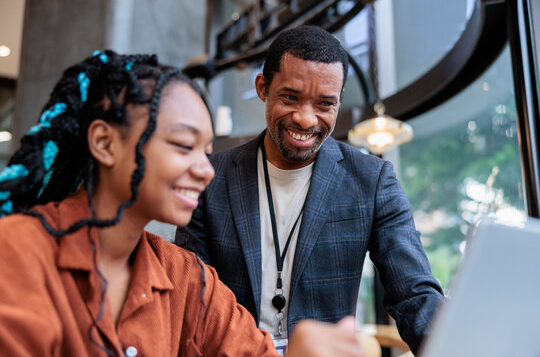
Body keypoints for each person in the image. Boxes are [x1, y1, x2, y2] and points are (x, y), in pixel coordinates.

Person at [0, 50, 365, 357]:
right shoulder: (17, 253)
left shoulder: (186, 277)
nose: (206, 171)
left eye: (207, 152)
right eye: (183, 146)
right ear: (105, 142)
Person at [175, 25, 444, 354]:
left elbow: (415, 295)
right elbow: (192, 301)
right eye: (290, 97)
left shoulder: (372, 181)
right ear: (263, 88)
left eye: (324, 104)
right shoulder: (209, 178)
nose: (305, 119)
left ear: (339, 102)